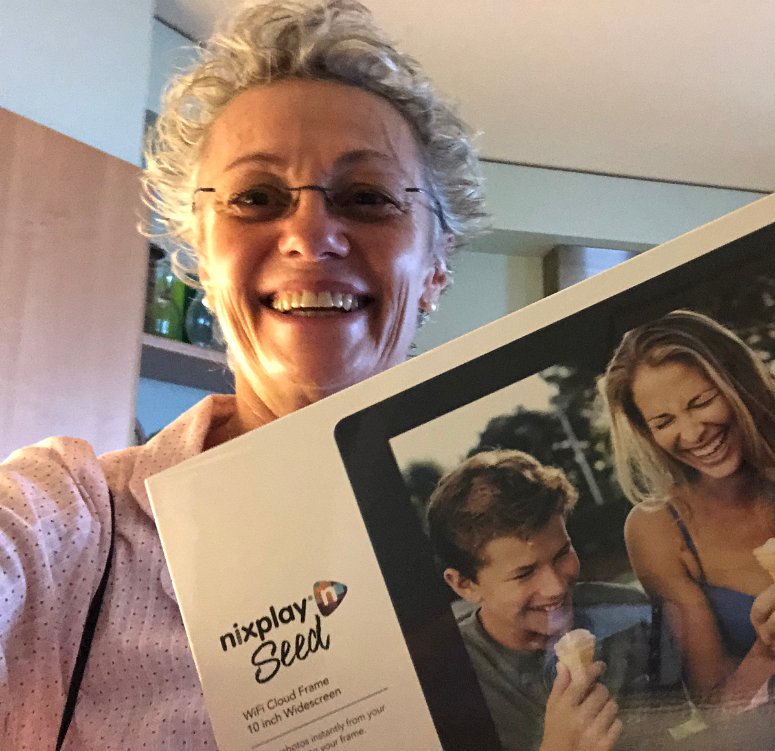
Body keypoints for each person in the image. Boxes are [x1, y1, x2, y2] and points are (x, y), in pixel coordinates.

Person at [0, 1, 486, 747]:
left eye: (367, 198)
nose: (310, 236)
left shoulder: (503, 534)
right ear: (199, 259)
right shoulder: (73, 523)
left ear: (435, 267)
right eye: (255, 198)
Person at [601, 309, 775, 713]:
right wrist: (769, 653)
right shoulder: (658, 530)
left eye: (702, 401)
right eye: (664, 422)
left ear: (740, 384)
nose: (692, 433)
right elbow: (716, 709)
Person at [426, 449, 686, 751]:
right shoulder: (447, 683)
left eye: (562, 554)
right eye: (524, 573)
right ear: (465, 585)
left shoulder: (631, 615)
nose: (556, 588)